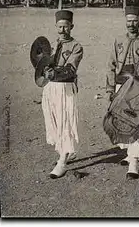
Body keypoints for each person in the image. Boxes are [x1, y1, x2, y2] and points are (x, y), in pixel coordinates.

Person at [105, 6, 139, 180]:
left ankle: (134, 162)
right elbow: (111, 65)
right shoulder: (118, 39)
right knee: (122, 121)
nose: (132, 24)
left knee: (137, 122)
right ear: (125, 22)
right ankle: (129, 153)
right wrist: (110, 89)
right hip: (122, 85)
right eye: (129, 21)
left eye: (135, 21)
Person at [41, 10, 83, 179]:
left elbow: (71, 68)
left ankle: (62, 162)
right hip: (50, 88)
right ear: (56, 27)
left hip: (65, 88)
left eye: (66, 26)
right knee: (54, 122)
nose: (63, 30)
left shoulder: (76, 46)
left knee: (65, 122)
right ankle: (64, 152)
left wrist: (54, 73)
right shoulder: (50, 45)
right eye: (60, 26)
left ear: (71, 26)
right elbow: (40, 64)